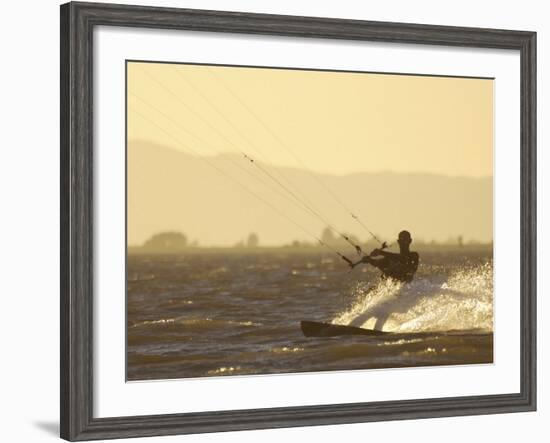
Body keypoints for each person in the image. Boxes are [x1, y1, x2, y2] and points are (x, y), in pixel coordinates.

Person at [351, 230, 419, 283]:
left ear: (410, 241)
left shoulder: (414, 256)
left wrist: (381, 252)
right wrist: (369, 260)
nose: (403, 242)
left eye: (405, 240)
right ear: (398, 241)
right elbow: (377, 263)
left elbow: (403, 259)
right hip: (391, 289)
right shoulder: (390, 259)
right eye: (401, 240)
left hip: (405, 287)